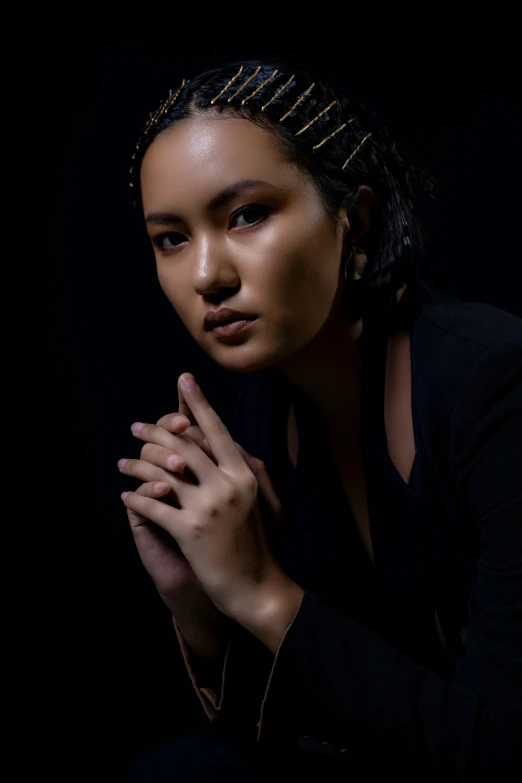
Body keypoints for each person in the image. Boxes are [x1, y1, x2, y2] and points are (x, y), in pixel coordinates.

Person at [119, 59, 522, 780]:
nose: (208, 273)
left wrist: (261, 589)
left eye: (247, 214)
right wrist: (201, 604)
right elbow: (299, 736)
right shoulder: (263, 411)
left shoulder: (494, 386)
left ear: (355, 217)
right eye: (170, 237)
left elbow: (498, 749)